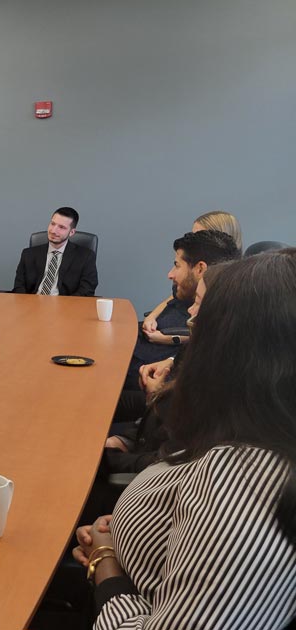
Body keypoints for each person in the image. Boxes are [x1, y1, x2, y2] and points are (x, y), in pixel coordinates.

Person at [74, 251, 296, 628]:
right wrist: (132, 531)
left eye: (200, 315)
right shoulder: (254, 430)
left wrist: (105, 562)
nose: (190, 322)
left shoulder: (239, 492)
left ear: (233, 349)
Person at [103, 262, 229, 474]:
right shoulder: (199, 347)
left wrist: (108, 459)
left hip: (146, 474)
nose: (190, 310)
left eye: (198, 302)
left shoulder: (215, 378)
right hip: (145, 438)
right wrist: (124, 440)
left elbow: (172, 461)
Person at [115, 229, 240, 422]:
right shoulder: (196, 297)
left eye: (176, 265)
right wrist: (172, 360)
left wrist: (157, 392)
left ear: (200, 269)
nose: (170, 274)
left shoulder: (214, 330)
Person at [141, 210, 241, 332]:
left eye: (200, 235)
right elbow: (173, 297)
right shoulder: (190, 285)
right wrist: (152, 316)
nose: (194, 240)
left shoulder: (224, 293)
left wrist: (173, 338)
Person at [12, 206, 98, 296]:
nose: (53, 231)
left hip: (66, 303)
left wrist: (65, 304)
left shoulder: (86, 256)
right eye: (53, 224)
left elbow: (86, 290)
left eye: (61, 227)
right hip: (32, 302)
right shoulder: (28, 254)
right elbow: (19, 287)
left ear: (71, 232)